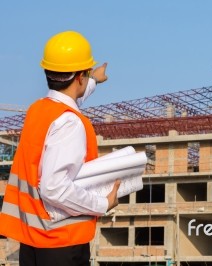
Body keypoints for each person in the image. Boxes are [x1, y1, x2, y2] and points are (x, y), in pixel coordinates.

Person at [0, 31, 121, 266]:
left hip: (35, 240)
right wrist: (103, 204)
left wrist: (93, 80)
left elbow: (67, 97)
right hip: (62, 243)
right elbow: (54, 187)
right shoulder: (70, 122)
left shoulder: (38, 111)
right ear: (78, 77)